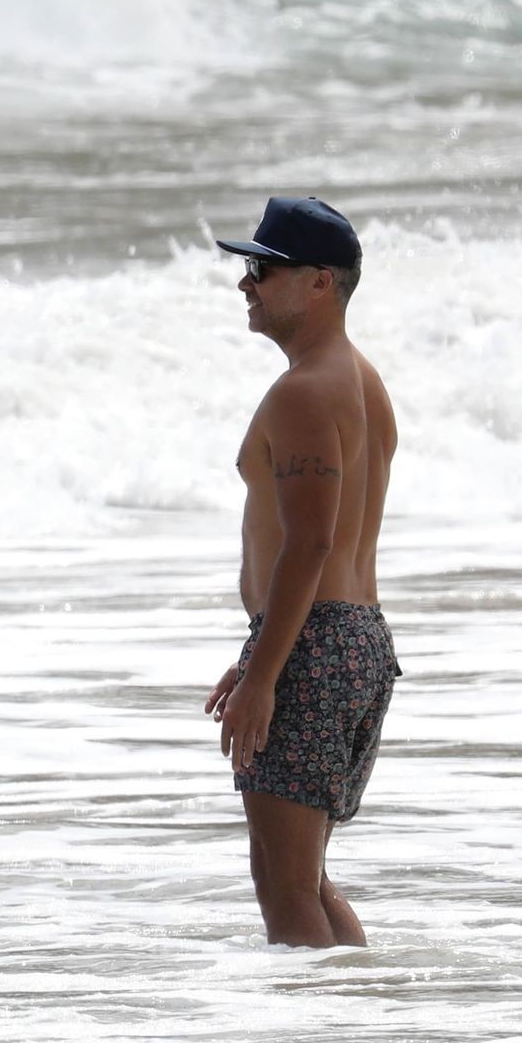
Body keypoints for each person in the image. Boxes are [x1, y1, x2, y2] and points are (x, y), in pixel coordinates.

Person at [203, 198, 401, 948]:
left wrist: (266, 673)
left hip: (315, 644)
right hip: (351, 639)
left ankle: (320, 1022)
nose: (245, 283)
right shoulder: (361, 380)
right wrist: (263, 652)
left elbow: (309, 543)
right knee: (306, 877)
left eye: (263, 268)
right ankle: (353, 1008)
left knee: (284, 884)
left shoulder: (305, 391)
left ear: (320, 282)